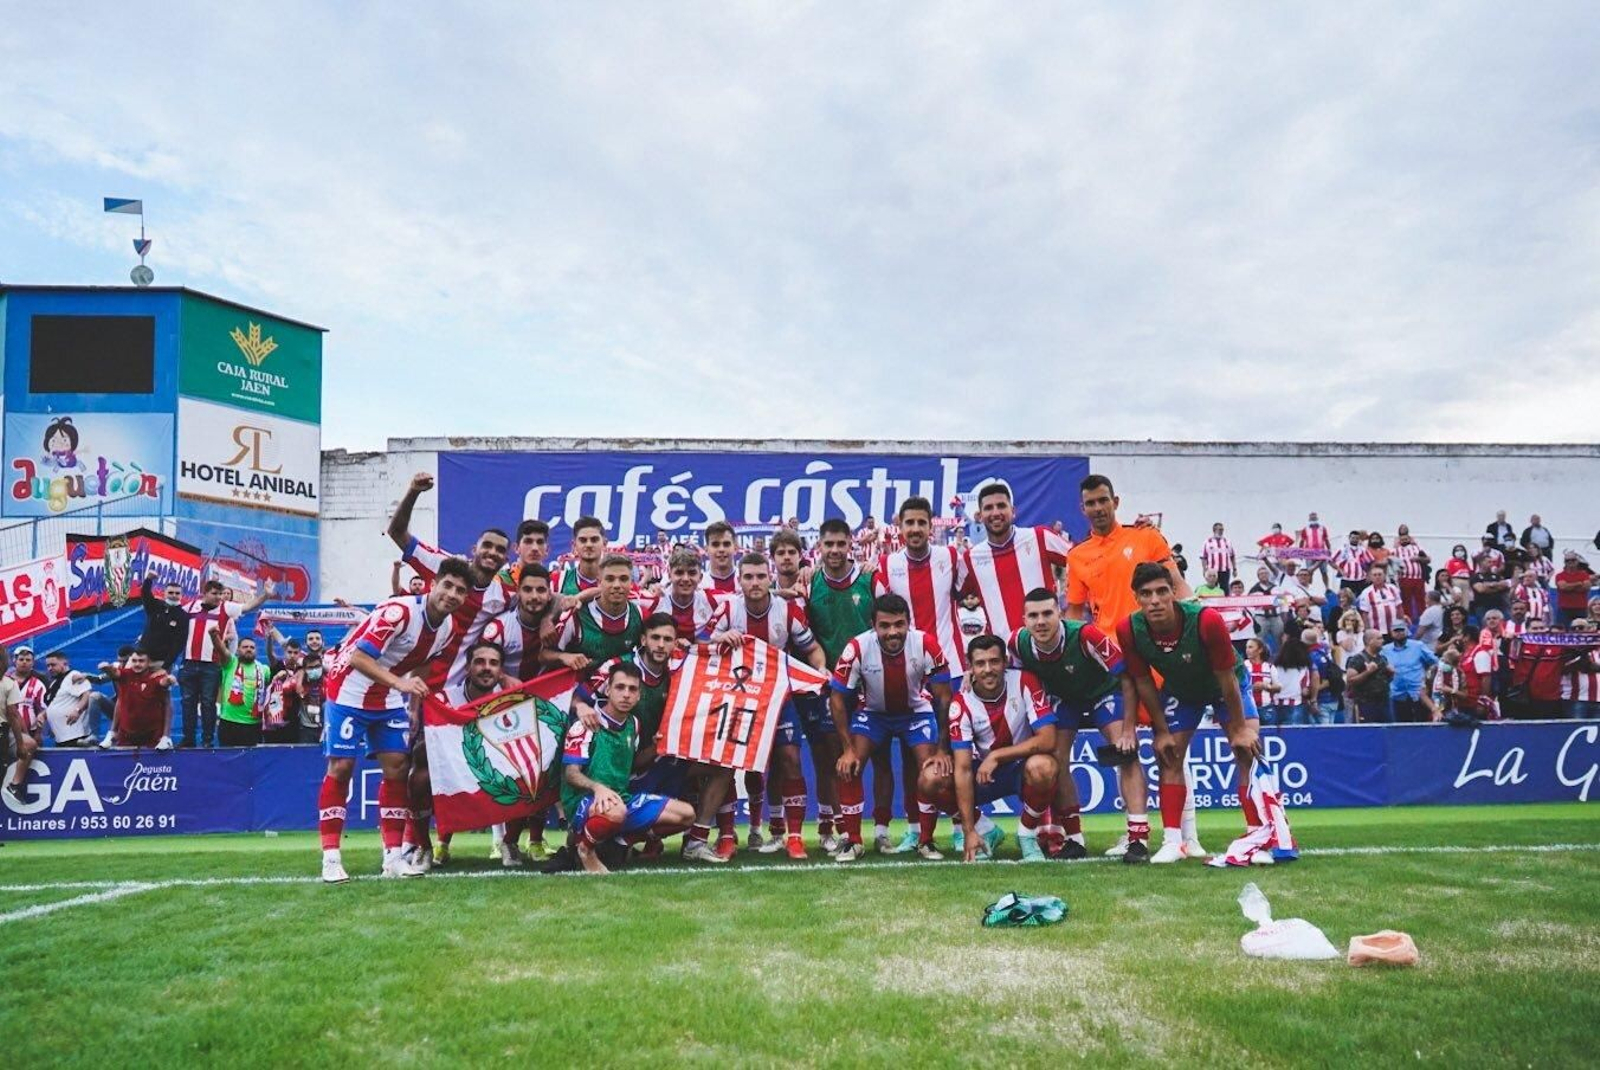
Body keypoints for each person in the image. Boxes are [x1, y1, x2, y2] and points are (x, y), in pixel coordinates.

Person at [316, 556, 472, 883]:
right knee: (341, 767)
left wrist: (413, 706)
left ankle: (393, 857)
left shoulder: (447, 629)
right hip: (348, 687)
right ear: (432, 585)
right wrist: (401, 685)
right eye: (447, 585)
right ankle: (331, 858)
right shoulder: (399, 612)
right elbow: (358, 657)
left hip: (386, 694)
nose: (452, 594)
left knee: (399, 767)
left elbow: (424, 665)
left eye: (460, 590)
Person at [1117, 564, 1264, 864]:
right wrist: (1161, 731)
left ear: (1174, 592)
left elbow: (1227, 678)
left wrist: (1239, 729)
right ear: (1136, 598)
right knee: (1168, 754)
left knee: (1246, 751)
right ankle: (1173, 842)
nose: (1155, 600)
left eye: (1161, 591)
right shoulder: (1128, 629)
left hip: (1227, 685)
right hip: (1182, 690)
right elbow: (1143, 682)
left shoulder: (1206, 620)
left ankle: (1257, 838)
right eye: (1146, 594)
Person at [1011, 588, 1155, 860]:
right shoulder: (1018, 644)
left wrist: (1128, 730)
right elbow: (1012, 677)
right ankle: (1074, 840)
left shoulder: (1086, 635)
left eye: (1047, 613)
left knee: (1124, 751)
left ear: (1060, 614)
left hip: (1104, 692)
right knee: (1056, 759)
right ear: (1024, 620)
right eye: (1033, 616)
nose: (1041, 621)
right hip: (1064, 699)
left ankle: (1138, 839)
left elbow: (1127, 676)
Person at [705, 554, 829, 860]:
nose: (755, 582)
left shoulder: (786, 611)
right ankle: (727, 835)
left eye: (761, 576)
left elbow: (812, 648)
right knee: (728, 764)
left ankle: (795, 837)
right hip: (737, 697)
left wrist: (821, 670)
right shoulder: (728, 609)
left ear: (770, 577)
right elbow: (701, 642)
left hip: (777, 697)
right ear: (740, 580)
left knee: (790, 759)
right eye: (748, 577)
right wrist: (719, 638)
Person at [828, 594, 954, 862]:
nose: (892, 632)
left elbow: (944, 697)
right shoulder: (857, 647)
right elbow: (836, 698)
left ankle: (925, 840)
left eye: (899, 624)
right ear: (873, 625)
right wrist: (847, 750)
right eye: (884, 625)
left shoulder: (926, 644)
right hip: (873, 714)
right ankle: (855, 841)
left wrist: (943, 749)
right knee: (849, 766)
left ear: (909, 623)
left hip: (915, 713)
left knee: (931, 770)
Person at [872, 495, 966, 854]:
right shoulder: (886, 566)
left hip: (950, 668)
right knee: (916, 757)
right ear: (899, 527)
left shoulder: (951, 558)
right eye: (908, 523)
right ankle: (915, 829)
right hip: (909, 673)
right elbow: (882, 618)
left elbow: (970, 594)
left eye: (921, 522)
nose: (915, 529)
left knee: (956, 752)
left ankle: (961, 827)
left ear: (931, 526)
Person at [928, 634, 1059, 863]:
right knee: (931, 778)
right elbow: (963, 768)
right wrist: (969, 830)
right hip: (984, 775)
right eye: (980, 663)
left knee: (1044, 767)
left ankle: (1026, 834)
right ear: (970, 667)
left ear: (1005, 662)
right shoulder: (961, 703)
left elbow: (1048, 739)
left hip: (1020, 768)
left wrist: (997, 755)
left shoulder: (1025, 681)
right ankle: (985, 829)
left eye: (994, 661)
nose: (988, 669)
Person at [562, 662, 697, 874]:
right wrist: (598, 788)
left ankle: (621, 842)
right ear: (608, 690)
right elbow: (571, 774)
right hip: (584, 800)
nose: (626, 694)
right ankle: (584, 847)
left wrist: (655, 748)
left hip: (621, 800)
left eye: (632, 689)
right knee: (617, 811)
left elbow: (633, 764)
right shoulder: (586, 723)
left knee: (687, 815)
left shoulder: (634, 724)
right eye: (620, 687)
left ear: (639, 695)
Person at [388, 471, 514, 694]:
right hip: (407, 685)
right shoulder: (442, 565)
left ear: (505, 560)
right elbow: (396, 532)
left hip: (451, 695)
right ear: (474, 549)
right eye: (487, 546)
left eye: (500, 550)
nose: (492, 552)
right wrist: (414, 491)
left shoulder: (502, 597)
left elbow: (540, 603)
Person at [805, 517, 875, 853]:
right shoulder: (810, 583)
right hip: (828, 684)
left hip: (870, 684)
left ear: (850, 545)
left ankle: (883, 829)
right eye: (828, 544)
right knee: (828, 758)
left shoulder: (869, 579)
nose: (834, 550)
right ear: (819, 546)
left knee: (876, 760)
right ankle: (829, 827)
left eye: (840, 544)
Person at [963, 481, 1074, 641]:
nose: (995, 512)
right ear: (979, 516)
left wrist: (1072, 610)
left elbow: (1083, 562)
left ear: (1013, 511)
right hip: (1004, 652)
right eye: (988, 508)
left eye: (1001, 506)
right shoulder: (970, 558)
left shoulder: (1039, 537)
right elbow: (948, 596)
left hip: (1050, 646)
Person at [175, 577, 270, 748]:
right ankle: (188, 738)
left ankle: (207, 740)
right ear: (205, 593)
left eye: (220, 594)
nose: (219, 597)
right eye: (215, 593)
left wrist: (265, 595)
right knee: (188, 703)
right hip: (189, 663)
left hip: (212, 665)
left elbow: (248, 606)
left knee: (208, 703)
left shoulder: (225, 608)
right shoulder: (190, 607)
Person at [548, 554, 645, 670]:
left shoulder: (640, 614)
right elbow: (544, 655)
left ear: (631, 583)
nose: (617, 585)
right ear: (599, 582)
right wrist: (563, 656)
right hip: (582, 681)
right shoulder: (576, 616)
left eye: (623, 579)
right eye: (610, 579)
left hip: (623, 681)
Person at [97, 646, 176, 749]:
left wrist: (169, 680)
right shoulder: (126, 674)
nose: (137, 664)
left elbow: (163, 682)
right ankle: (111, 734)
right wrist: (107, 668)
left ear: (149, 663)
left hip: (151, 734)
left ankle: (166, 739)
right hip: (127, 734)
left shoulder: (155, 677)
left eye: (141, 661)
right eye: (134, 661)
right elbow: (115, 673)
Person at [210, 629, 271, 747]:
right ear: (238, 650)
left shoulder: (264, 669)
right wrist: (214, 636)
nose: (249, 649)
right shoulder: (230, 663)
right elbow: (221, 650)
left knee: (252, 758)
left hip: (253, 724)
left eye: (252, 647)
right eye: (245, 647)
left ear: (256, 651)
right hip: (230, 722)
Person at [3, 647, 44, 801]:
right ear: (14, 661)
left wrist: (36, 732)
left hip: (18, 731)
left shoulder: (38, 683)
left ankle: (15, 785)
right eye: (21, 659)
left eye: (28, 660)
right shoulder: (6, 682)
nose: (24, 663)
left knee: (30, 744)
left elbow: (43, 709)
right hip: (8, 728)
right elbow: (13, 713)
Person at [40, 651, 106, 747]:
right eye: (48, 666)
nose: (50, 668)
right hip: (61, 737)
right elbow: (55, 704)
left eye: (53, 665)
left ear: (65, 663)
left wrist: (77, 710)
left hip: (76, 736)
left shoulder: (74, 675)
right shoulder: (54, 683)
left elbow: (87, 694)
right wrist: (44, 715)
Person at [1382, 621, 1438, 723]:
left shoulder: (1418, 646)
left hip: (1418, 693)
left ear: (1407, 631)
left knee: (1422, 724)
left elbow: (1435, 663)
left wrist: (1427, 677)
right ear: (1391, 633)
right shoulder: (1385, 650)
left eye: (1401, 630)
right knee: (1400, 726)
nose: (1399, 633)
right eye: (1396, 631)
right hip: (1396, 693)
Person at [1343, 631, 1393, 723]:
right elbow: (1350, 681)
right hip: (1365, 704)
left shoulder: (1382, 659)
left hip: (1384, 702)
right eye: (1379, 638)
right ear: (1370, 641)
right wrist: (1367, 672)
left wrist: (1391, 673)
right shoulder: (1357, 659)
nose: (1382, 641)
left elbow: (1386, 680)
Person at [1268, 631, 1312, 727]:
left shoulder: (1273, 667)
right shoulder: (1304, 669)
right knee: (1294, 733)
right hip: (1296, 705)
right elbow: (1305, 691)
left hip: (1275, 704)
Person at [1560, 621, 1600, 719]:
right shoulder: (1566, 649)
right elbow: (1575, 667)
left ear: (1589, 630)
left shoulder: (1597, 648)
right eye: (1574, 628)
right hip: (1576, 699)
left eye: (1581, 627)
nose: (1577, 630)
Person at [1392, 525, 1431, 624]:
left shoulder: (1417, 547)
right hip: (1404, 578)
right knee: (1406, 601)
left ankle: (1423, 620)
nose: (1404, 540)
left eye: (1406, 539)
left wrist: (1418, 559)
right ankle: (1408, 621)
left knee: (1421, 600)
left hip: (1418, 578)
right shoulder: (1396, 550)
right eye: (1402, 539)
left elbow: (1428, 559)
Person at [1356, 563, 1405, 635]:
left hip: (1394, 630)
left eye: (1379, 574)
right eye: (1375, 575)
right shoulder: (1366, 593)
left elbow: (1399, 608)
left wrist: (1402, 625)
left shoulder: (1393, 589)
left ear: (1384, 576)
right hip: (1377, 632)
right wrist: (1368, 631)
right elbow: (1364, 614)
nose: (1377, 577)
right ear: (1371, 577)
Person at [1554, 551, 1594, 626]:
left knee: (1582, 629)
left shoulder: (1584, 574)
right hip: (1564, 609)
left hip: (1581, 608)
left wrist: (1569, 586)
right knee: (1563, 630)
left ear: (1577, 561)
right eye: (1567, 560)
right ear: (1564, 562)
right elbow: (1563, 587)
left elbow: (1587, 587)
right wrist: (1579, 583)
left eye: (1573, 560)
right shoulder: (1559, 575)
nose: (1570, 562)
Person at [1218, 579, 1257, 656]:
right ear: (1231, 589)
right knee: (1234, 658)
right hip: (1234, 636)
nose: (1237, 589)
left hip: (1248, 635)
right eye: (1235, 588)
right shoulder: (1226, 601)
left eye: (1239, 587)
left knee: (1249, 657)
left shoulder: (1249, 600)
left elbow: (1253, 612)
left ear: (1243, 589)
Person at [700, 520, 739, 594]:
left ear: (735, 548)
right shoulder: (700, 586)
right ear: (706, 550)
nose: (721, 549)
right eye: (715, 544)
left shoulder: (746, 582)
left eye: (726, 544)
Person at [1296, 512, 1333, 588]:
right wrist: (1300, 552)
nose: (1313, 519)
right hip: (1309, 553)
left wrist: (1329, 550)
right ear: (1309, 519)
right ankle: (1309, 587)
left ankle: (1327, 587)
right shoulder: (1305, 529)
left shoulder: (1322, 528)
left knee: (1324, 571)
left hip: (1321, 553)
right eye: (1311, 518)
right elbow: (1302, 541)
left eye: (1314, 518)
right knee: (1310, 571)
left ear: (1317, 518)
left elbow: (1326, 540)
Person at [1331, 532, 1373, 597]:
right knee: (1345, 598)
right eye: (1353, 538)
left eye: (1357, 538)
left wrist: (1369, 574)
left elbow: (1371, 561)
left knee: (1362, 598)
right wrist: (1339, 569)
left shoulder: (1363, 549)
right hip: (1346, 579)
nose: (1355, 540)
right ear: (1349, 538)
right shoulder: (1342, 549)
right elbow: (1331, 560)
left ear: (1359, 539)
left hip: (1361, 579)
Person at [1201, 523, 1236, 592]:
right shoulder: (1207, 542)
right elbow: (1203, 557)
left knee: (1225, 588)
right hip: (1212, 570)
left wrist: (1234, 569)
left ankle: (1225, 599)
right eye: (1219, 529)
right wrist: (1204, 569)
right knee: (1212, 588)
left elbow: (1232, 556)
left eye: (1222, 530)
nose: (1221, 531)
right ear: (1214, 530)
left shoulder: (1227, 542)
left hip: (1225, 570)